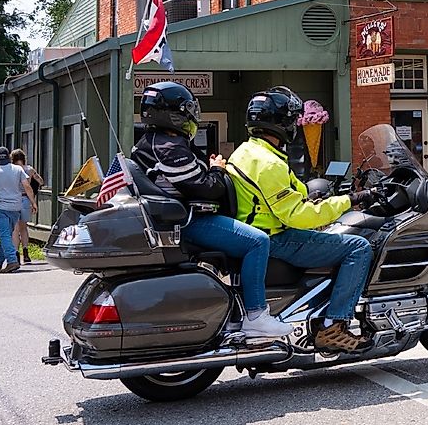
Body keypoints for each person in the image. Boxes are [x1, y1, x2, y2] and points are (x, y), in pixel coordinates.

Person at [131, 81, 292, 340]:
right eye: (188, 110)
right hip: (190, 222)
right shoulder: (170, 148)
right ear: (176, 114)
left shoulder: (148, 143)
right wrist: (217, 167)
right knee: (257, 241)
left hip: (177, 218)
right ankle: (256, 316)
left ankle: (240, 307)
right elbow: (207, 188)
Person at [228, 87, 375, 353]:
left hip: (255, 231)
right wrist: (350, 201)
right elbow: (297, 216)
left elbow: (285, 191)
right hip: (277, 237)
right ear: (281, 123)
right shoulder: (269, 164)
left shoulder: (247, 152)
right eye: (292, 119)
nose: (295, 125)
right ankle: (334, 324)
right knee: (358, 247)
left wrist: (315, 191)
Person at [11, 148, 42, 264]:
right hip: (26, 199)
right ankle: (26, 252)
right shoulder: (29, 169)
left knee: (15, 228)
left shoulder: (12, 170)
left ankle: (15, 254)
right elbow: (41, 181)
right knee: (24, 228)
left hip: (14, 199)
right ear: (24, 158)